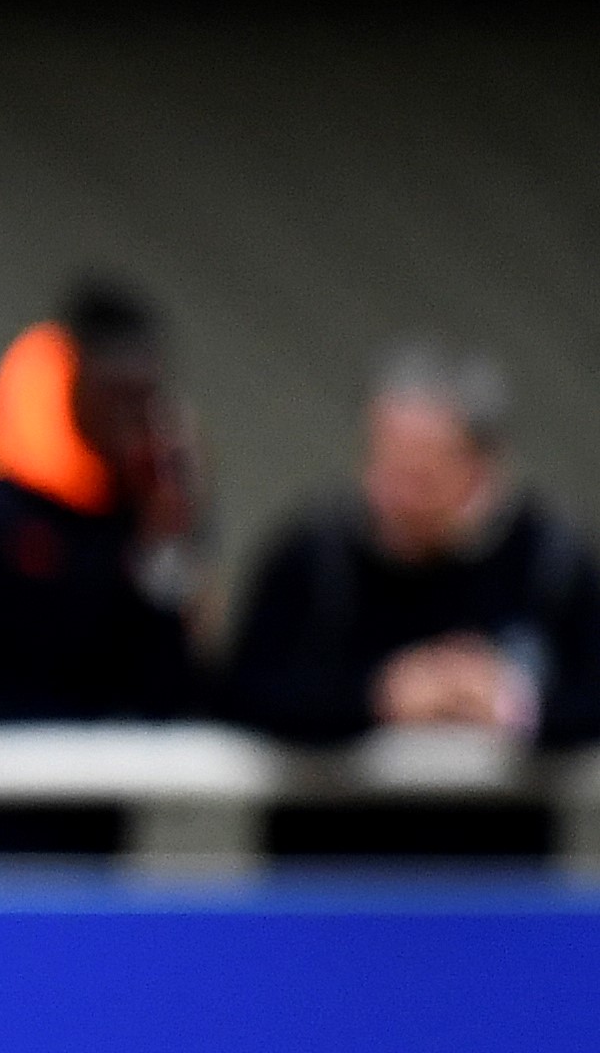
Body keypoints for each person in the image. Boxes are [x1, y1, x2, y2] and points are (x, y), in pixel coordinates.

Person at [222, 347, 600, 863]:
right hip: (330, 887)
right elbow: (244, 690)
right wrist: (379, 696)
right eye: (384, 463)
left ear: (480, 466)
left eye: (420, 475)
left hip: (497, 896)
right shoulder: (315, 556)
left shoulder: (550, 563)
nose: (393, 493)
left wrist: (509, 703)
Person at [0, 278, 205, 856]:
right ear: (73, 376)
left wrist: (163, 546)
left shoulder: (148, 497)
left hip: (87, 825)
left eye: (146, 396)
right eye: (118, 392)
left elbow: (171, 691)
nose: (132, 417)